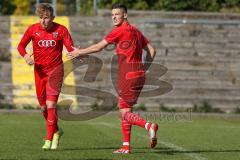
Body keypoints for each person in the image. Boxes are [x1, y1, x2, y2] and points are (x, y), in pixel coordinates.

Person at [69, 3, 158, 154]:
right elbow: (152, 50)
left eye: (117, 14)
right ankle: (126, 147)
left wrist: (79, 52)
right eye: (112, 15)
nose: (114, 17)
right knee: (126, 110)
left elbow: (99, 47)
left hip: (127, 75)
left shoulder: (119, 31)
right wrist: (144, 68)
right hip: (138, 74)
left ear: (125, 15)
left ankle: (148, 126)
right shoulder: (136, 31)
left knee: (123, 112)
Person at [18, 3, 75, 150]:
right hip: (40, 73)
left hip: (56, 72)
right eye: (41, 18)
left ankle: (48, 140)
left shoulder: (61, 30)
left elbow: (70, 48)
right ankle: (57, 131)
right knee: (44, 107)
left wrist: (75, 52)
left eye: (47, 18)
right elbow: (20, 46)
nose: (43, 21)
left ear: (53, 17)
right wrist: (26, 57)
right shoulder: (32, 29)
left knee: (51, 105)